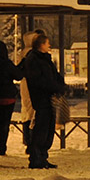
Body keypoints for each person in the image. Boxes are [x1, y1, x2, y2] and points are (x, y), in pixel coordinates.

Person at [20, 32, 67, 169]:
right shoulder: (34, 59)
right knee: (41, 130)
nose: (49, 45)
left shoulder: (44, 58)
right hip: (42, 99)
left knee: (47, 129)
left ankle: (42, 157)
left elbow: (53, 75)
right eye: (47, 43)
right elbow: (40, 81)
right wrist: (56, 87)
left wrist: (60, 85)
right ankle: (36, 158)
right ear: (41, 45)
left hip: (49, 98)